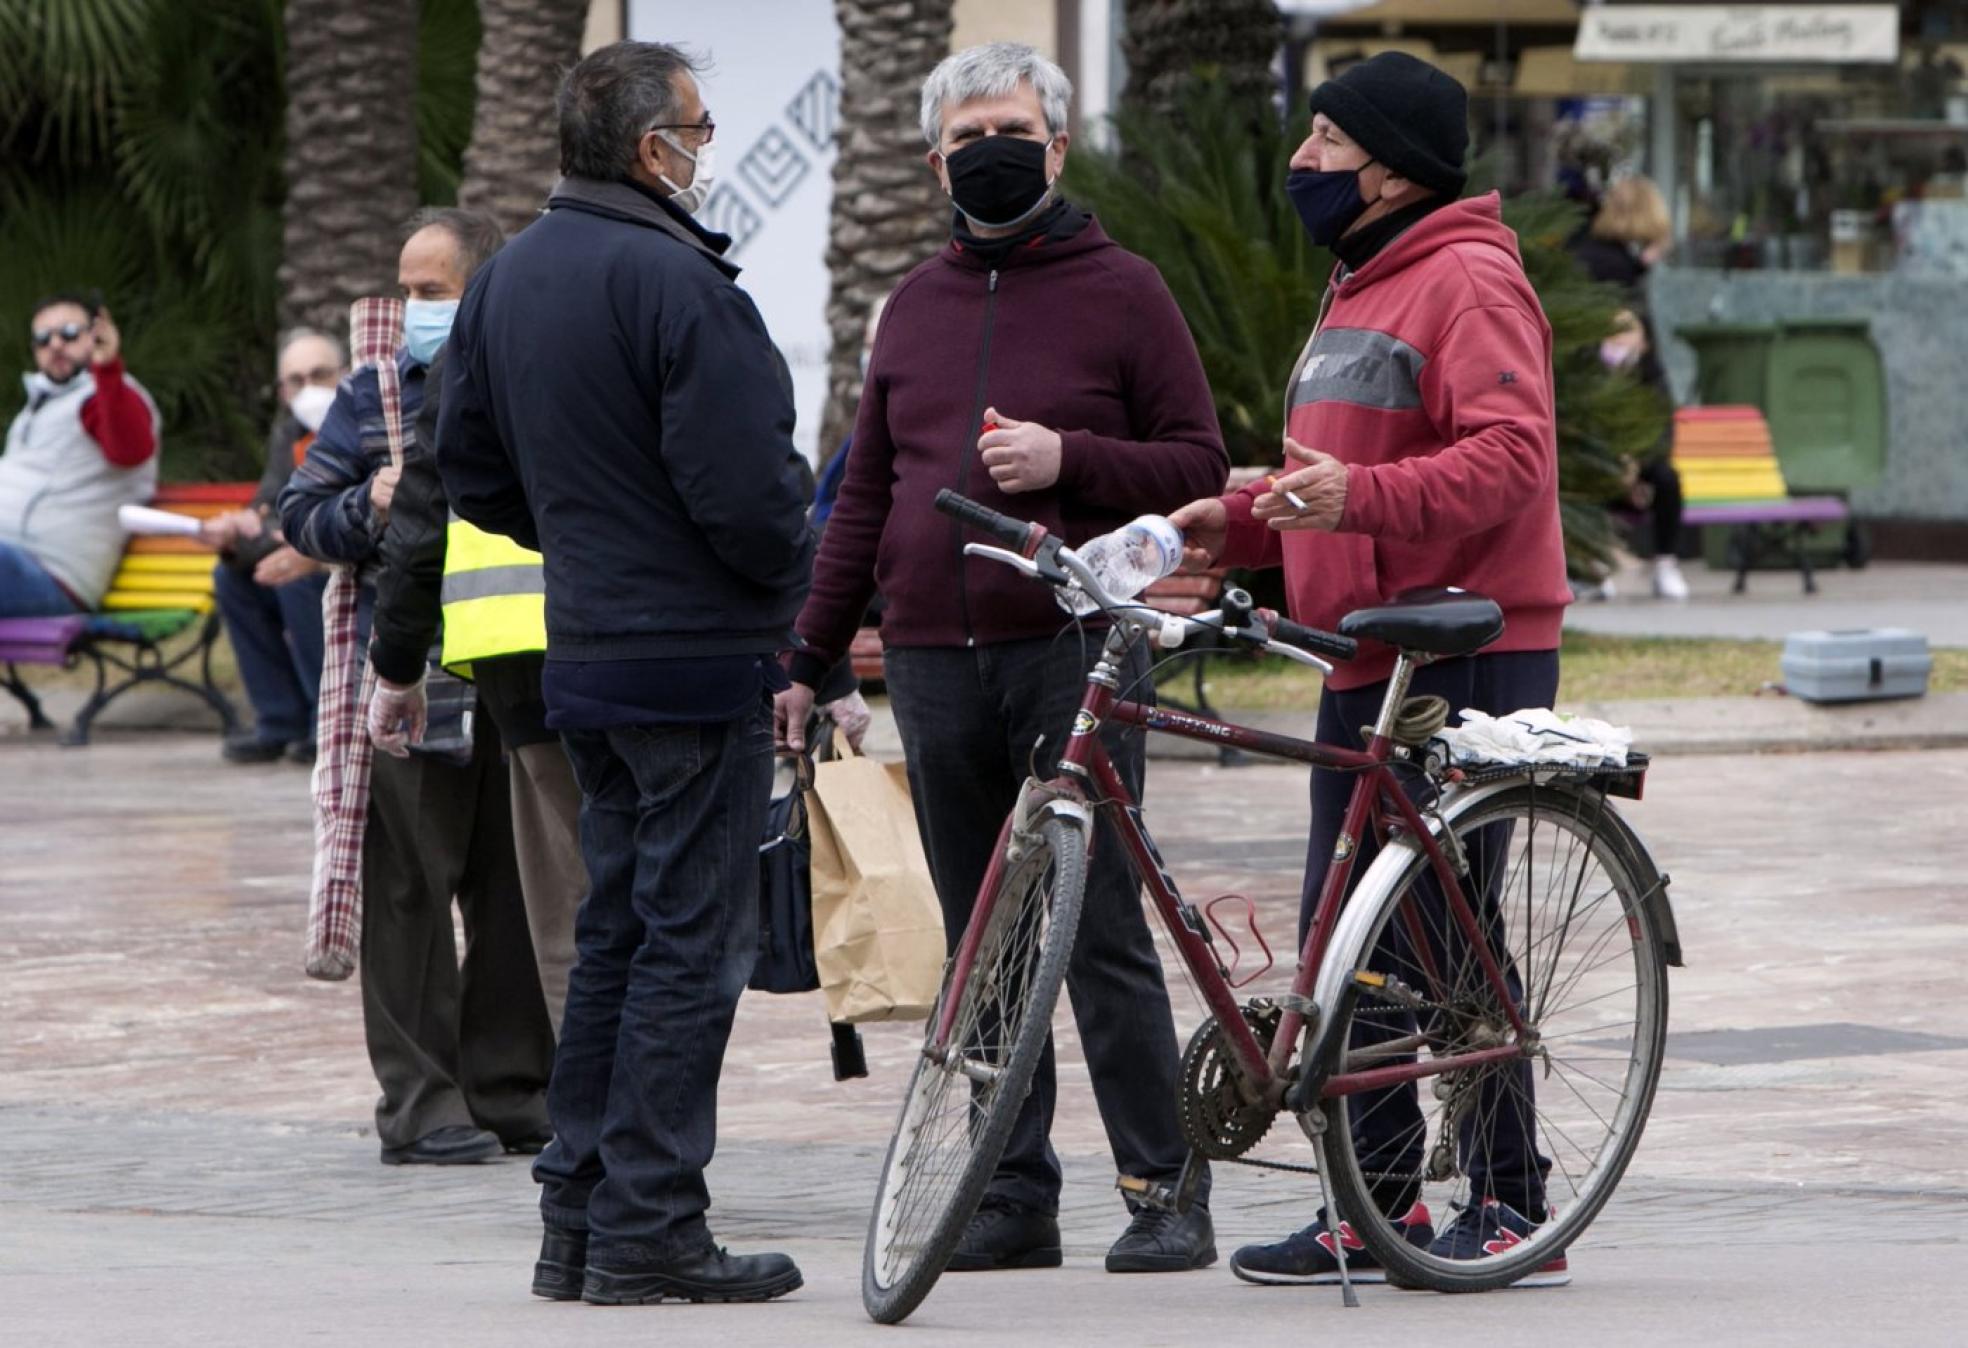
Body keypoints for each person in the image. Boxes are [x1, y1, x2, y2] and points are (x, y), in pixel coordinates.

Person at [776, 41, 1229, 1276]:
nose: (991, 149)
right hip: (930, 657)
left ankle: (1164, 1187)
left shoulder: (1125, 288)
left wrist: (1071, 458)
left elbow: (1198, 460)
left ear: (1059, 145)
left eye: (1011, 128)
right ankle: (1011, 1191)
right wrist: (809, 655)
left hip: (1075, 647)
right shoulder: (911, 307)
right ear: (935, 161)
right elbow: (864, 495)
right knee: (984, 942)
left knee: (1097, 927)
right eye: (969, 134)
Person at [1166, 51, 1572, 1288]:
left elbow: (1512, 457)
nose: (1303, 160)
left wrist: (1361, 494)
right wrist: (1232, 523)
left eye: (1328, 142)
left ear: (1392, 169)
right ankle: (1373, 1203)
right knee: (1347, 935)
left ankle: (1511, 1201)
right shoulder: (1360, 284)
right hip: (1363, 650)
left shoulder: (1466, 282)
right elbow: (1327, 486)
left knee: (1442, 933)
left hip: (1472, 646)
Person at [435, 41, 812, 1307]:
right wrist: (769, 584)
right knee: (684, 945)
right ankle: (648, 1224)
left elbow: (468, 466)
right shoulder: (677, 281)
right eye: (696, 130)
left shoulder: (507, 280)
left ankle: (582, 1219)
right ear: (655, 151)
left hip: (584, 653)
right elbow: (752, 498)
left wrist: (589, 538)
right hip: (691, 661)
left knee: (615, 932)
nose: (705, 150)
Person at [277, 209, 554, 1169]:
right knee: (408, 892)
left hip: (519, 676)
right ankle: (421, 1103)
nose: (411, 310)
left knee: (517, 891)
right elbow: (301, 515)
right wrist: (369, 502)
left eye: (433, 292)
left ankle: (513, 1090)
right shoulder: (373, 396)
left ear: (486, 291)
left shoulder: (532, 381)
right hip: (415, 683)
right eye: (406, 289)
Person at [363, 300, 584, 1038]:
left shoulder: (487, 325)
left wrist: (395, 666)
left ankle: (589, 1112)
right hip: (591, 643)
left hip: (511, 654)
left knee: (567, 902)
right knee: (610, 895)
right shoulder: (661, 298)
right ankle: (605, 1113)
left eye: (430, 285)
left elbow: (425, 507)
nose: (414, 306)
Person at [200, 330, 342, 763]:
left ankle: (329, 722)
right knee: (232, 576)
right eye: (296, 380)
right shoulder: (289, 435)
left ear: (346, 374)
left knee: (292, 571)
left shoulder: (365, 424)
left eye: (320, 374)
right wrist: (236, 538)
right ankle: (279, 721)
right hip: (307, 555)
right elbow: (269, 508)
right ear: (283, 392)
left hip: (348, 561)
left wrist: (302, 545)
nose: (309, 388)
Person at [1, 293, 159, 617]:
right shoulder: (36, 409)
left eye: (70, 333)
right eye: (44, 339)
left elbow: (131, 451)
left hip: (49, 574)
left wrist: (108, 369)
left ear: (97, 335)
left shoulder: (107, 397)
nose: (56, 344)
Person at [1568, 174, 1687, 601]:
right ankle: (1605, 563)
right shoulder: (1612, 268)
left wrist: (1642, 460)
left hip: (1633, 433)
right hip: (1603, 436)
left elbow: (1656, 402)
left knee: (1666, 479)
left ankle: (1644, 564)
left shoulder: (1611, 262)